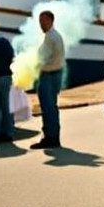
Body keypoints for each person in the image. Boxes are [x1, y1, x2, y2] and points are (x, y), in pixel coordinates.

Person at [30, 10, 65, 149]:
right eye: (40, 21)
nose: (41, 24)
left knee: (48, 107)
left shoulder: (51, 37)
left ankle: (50, 138)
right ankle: (52, 137)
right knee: (52, 107)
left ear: (51, 21)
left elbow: (44, 58)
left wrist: (34, 66)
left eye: (43, 21)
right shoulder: (53, 36)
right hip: (55, 74)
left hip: (48, 75)